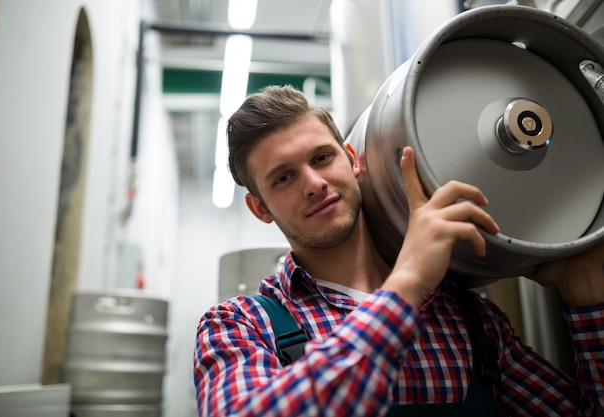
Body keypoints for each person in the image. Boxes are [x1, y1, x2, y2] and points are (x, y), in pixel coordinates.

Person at [193, 85, 604, 416]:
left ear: (351, 158)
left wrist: (585, 293)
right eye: (283, 178)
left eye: (322, 157)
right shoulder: (237, 325)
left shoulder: (472, 321)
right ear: (260, 208)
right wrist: (406, 282)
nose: (314, 183)